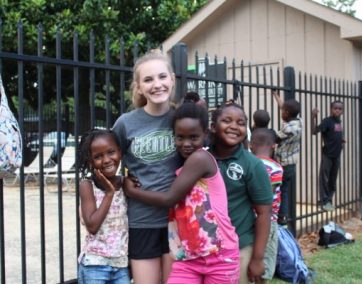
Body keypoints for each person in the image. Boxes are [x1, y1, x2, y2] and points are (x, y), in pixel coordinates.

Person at [124, 102, 240, 283]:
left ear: (206, 135)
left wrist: (131, 191)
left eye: (193, 137)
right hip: (188, 256)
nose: (186, 144)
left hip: (219, 253)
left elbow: (170, 199)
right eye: (180, 137)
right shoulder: (184, 163)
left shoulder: (200, 158)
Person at [112, 50, 182, 284]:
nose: (157, 85)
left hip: (180, 219)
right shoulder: (125, 123)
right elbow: (107, 163)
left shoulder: (183, 119)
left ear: (172, 79)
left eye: (162, 77)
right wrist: (122, 181)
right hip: (142, 221)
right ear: (139, 87)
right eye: (148, 80)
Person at [209, 102, 273, 284]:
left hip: (240, 246)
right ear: (213, 127)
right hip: (205, 247)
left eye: (241, 122)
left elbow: (264, 213)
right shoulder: (201, 158)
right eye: (227, 121)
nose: (234, 127)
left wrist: (257, 259)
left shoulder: (252, 165)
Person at [76, 128, 130, 284]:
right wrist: (109, 193)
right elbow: (92, 226)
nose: (106, 160)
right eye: (98, 157)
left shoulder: (125, 182)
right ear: (90, 161)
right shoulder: (87, 185)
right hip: (95, 264)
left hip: (120, 265)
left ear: (119, 152)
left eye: (111, 152)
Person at [249, 128, 283, 283]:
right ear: (274, 146)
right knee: (264, 262)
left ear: (250, 145)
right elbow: (267, 198)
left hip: (248, 220)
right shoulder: (276, 168)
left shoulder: (248, 164)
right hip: (268, 222)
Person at [272, 90, 302, 226]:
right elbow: (284, 107)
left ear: (287, 114)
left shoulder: (288, 129)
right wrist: (276, 96)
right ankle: (283, 216)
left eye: (282, 112)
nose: (281, 113)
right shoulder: (299, 121)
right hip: (292, 164)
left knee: (280, 191)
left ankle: (281, 217)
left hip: (283, 164)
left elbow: (275, 137)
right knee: (284, 190)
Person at [311, 101, 344, 211]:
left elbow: (335, 135)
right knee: (324, 178)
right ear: (331, 109)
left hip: (337, 155)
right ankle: (324, 201)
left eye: (340, 109)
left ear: (342, 111)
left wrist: (341, 141)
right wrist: (313, 117)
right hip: (328, 154)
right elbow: (314, 131)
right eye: (335, 108)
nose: (337, 110)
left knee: (333, 179)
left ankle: (329, 200)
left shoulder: (338, 122)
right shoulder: (327, 121)